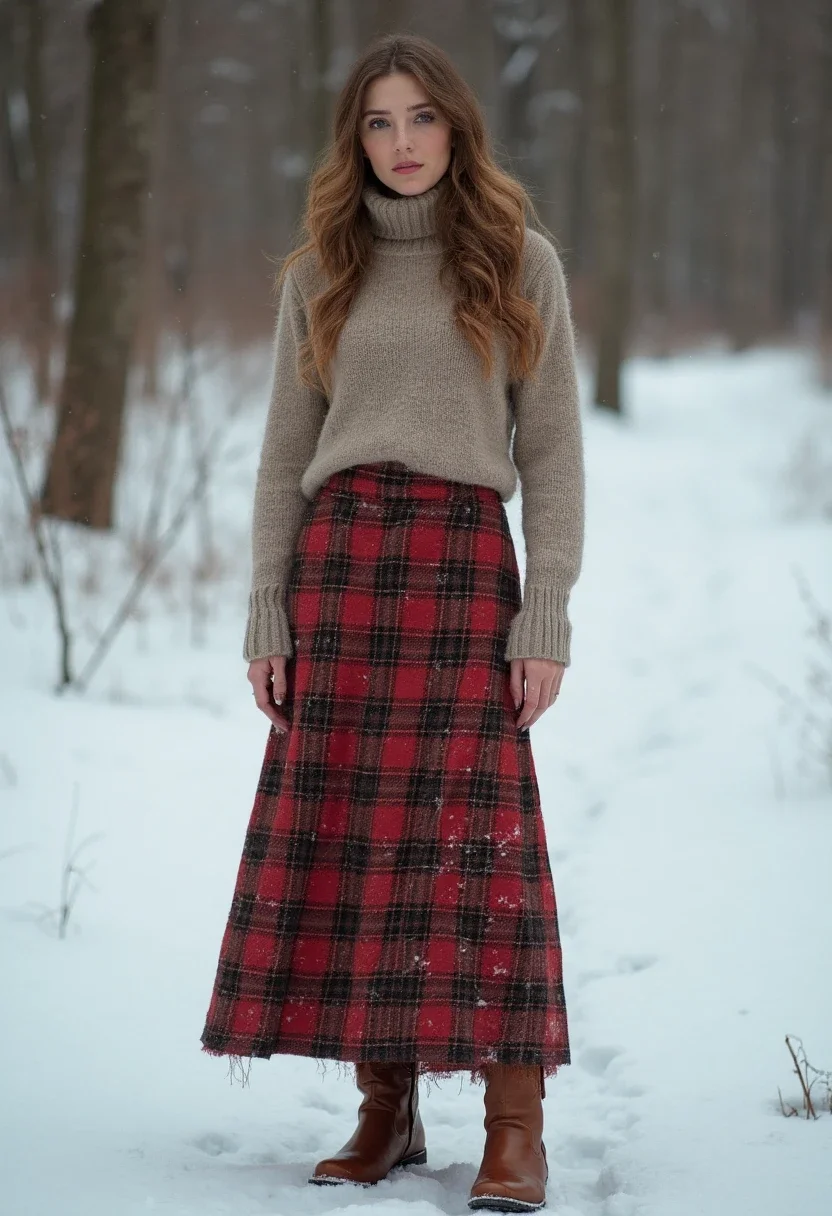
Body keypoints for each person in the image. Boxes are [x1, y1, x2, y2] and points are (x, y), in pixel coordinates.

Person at [200, 31, 585, 1215]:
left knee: (479, 851)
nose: (402, 143)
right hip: (343, 568)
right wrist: (269, 605)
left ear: (457, 128)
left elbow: (554, 449)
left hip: (463, 570)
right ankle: (386, 1107)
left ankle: (513, 1126)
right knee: (360, 844)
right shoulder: (323, 265)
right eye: (379, 122)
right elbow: (280, 454)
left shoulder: (518, 260)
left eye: (422, 118)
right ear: (353, 138)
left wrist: (546, 614)